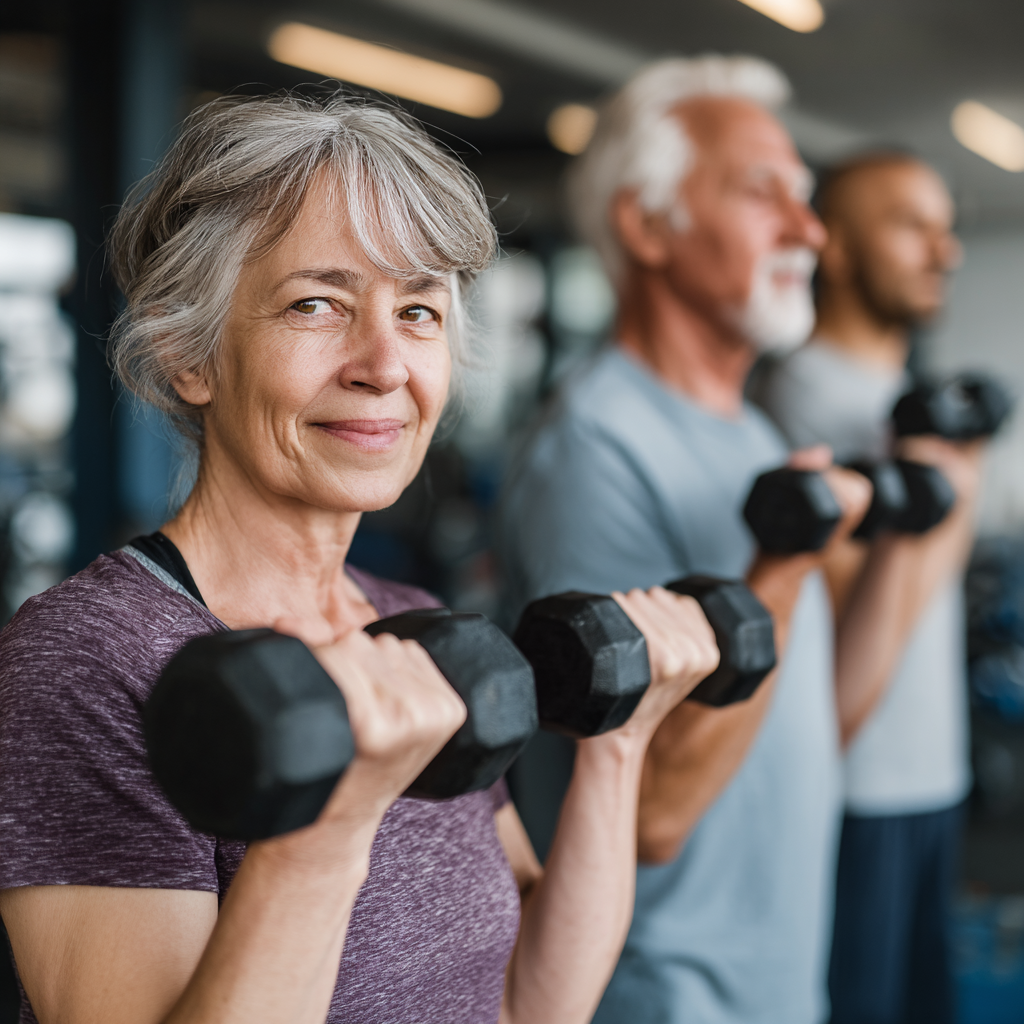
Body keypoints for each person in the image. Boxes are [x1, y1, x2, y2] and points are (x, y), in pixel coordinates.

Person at [0, 91, 723, 1024]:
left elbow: (537, 1004)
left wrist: (620, 747)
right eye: (317, 304)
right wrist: (330, 826)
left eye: (419, 312)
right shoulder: (91, 660)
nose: (384, 363)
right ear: (191, 355)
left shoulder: (411, 624)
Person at [497, 56, 944, 1024]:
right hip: (665, 989)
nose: (808, 229)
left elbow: (820, 714)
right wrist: (780, 563)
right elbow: (648, 814)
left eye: (806, 196)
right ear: (646, 224)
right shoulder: (595, 446)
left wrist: (914, 534)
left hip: (781, 976)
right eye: (761, 191)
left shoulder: (758, 435)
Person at [755, 153, 982, 1024]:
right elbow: (850, 625)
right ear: (838, 249)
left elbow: (935, 576)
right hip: (852, 792)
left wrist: (949, 485)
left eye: (944, 224)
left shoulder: (907, 400)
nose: (944, 250)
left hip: (933, 772)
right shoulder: (797, 402)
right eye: (910, 225)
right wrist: (944, 495)